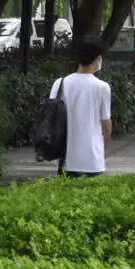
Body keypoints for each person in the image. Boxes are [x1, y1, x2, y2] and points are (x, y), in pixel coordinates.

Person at [48, 36, 113, 177]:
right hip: (93, 160)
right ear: (97, 59)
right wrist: (104, 145)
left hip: (65, 158)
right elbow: (106, 124)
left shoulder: (59, 84)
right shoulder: (102, 87)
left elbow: (50, 117)